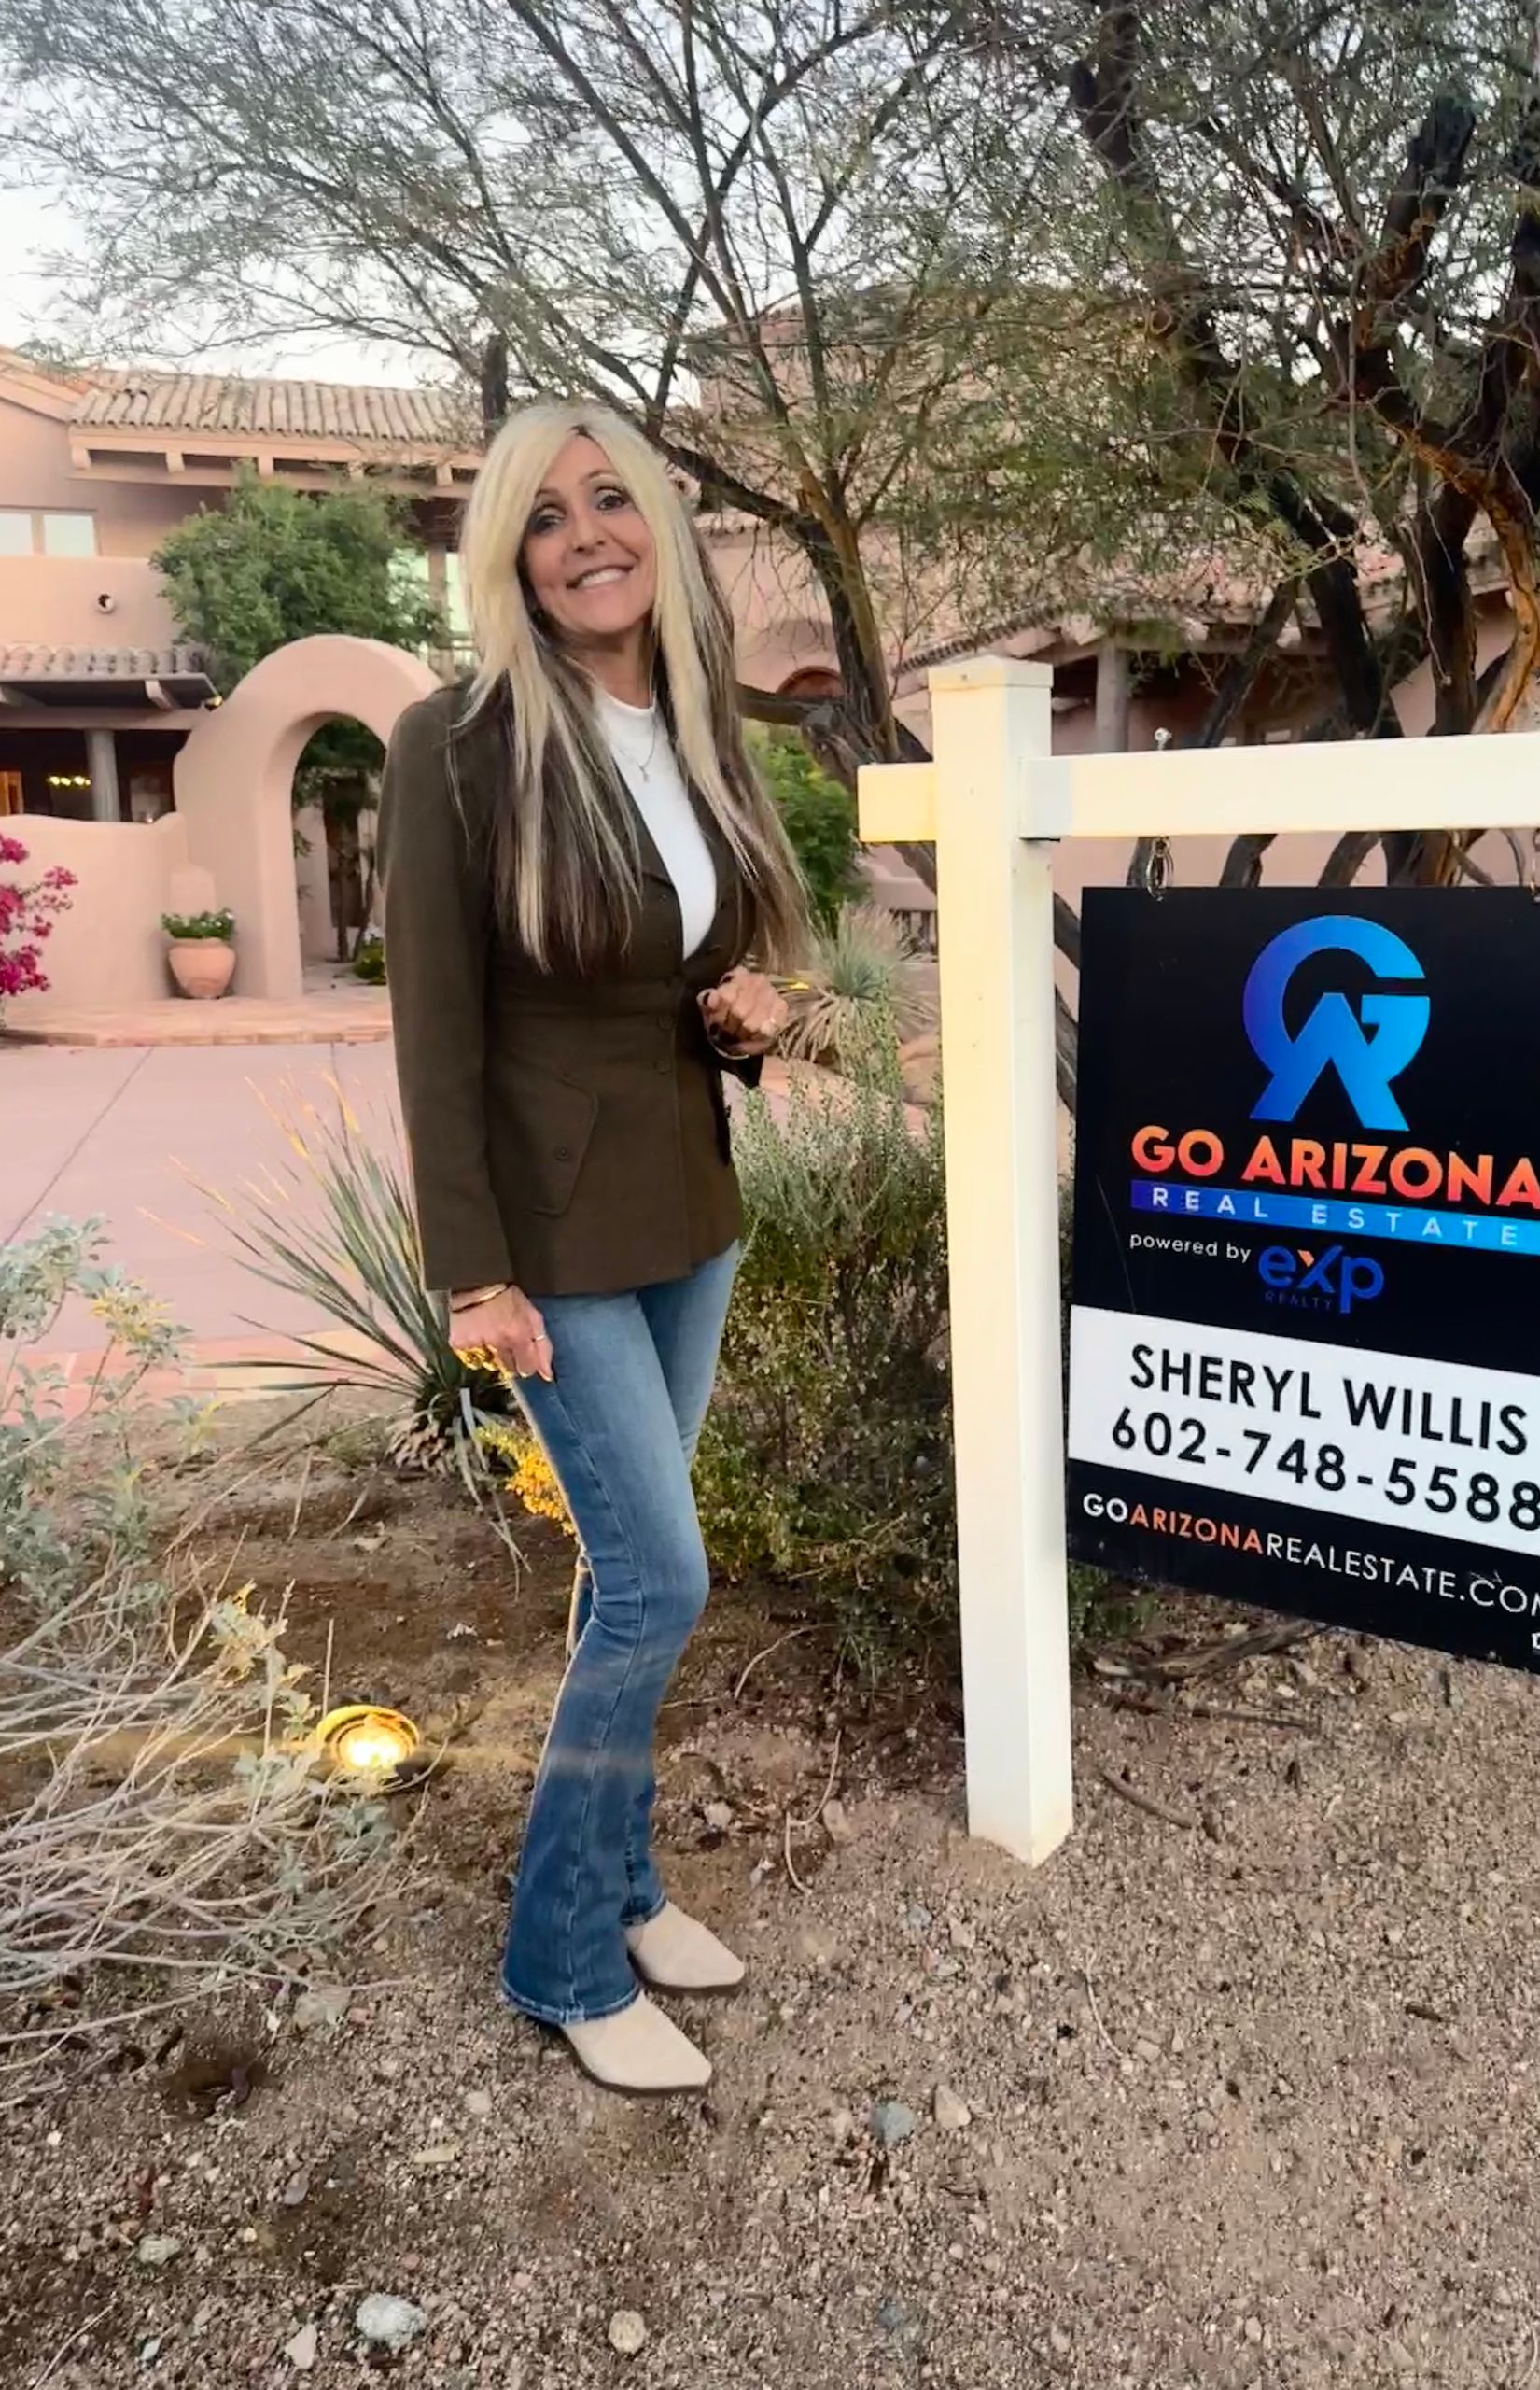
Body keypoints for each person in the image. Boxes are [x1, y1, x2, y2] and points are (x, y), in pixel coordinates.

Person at [376, 400, 809, 2096]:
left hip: (683, 1206)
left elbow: (685, 983)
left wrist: (750, 1021)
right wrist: (472, 1274)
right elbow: (437, 1033)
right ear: (510, 557)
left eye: (612, 500)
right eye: (545, 516)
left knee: (629, 1585)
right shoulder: (459, 741)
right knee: (658, 1585)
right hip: (546, 1235)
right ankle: (560, 1953)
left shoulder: (698, 725)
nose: (586, 536)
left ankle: (629, 1892)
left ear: (662, 529)